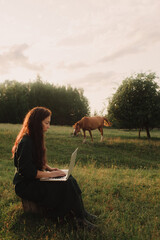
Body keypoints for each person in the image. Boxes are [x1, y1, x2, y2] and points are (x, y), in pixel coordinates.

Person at [12, 106, 97, 230]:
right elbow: (27, 171)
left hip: (33, 179)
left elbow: (36, 161)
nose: (49, 126)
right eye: (46, 123)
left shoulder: (34, 138)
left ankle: (81, 213)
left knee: (70, 179)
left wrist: (50, 169)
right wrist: (51, 175)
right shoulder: (26, 141)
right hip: (26, 185)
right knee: (65, 184)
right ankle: (79, 221)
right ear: (36, 123)